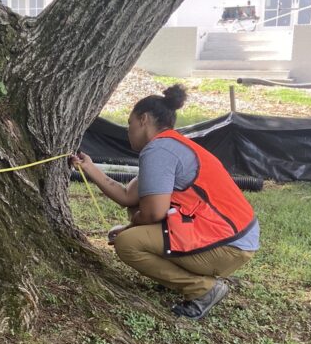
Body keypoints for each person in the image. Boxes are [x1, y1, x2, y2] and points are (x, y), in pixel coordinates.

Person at [72, 84, 259, 319]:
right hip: (233, 239)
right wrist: (89, 167)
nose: (128, 130)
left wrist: (129, 229)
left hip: (226, 246)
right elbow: (129, 196)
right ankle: (187, 275)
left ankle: (203, 290)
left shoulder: (159, 151)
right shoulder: (170, 145)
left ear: (144, 119)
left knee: (128, 243)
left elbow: (153, 214)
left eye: (129, 123)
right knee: (136, 214)